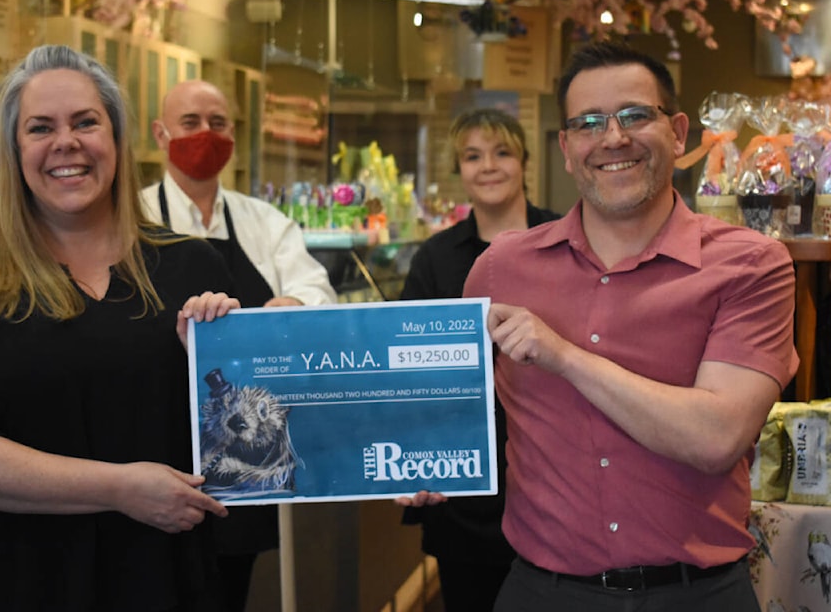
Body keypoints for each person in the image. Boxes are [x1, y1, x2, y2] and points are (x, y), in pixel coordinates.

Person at [402, 42, 799, 611]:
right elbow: (450, 407)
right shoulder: (500, 268)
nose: (613, 139)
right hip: (541, 593)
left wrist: (562, 355)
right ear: (566, 148)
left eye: (636, 116)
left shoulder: (752, 263)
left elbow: (716, 437)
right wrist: (421, 456)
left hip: (699, 595)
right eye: (588, 123)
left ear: (678, 131)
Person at [0, 44, 240, 612]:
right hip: (15, 581)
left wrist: (218, 366)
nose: (67, 143)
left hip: (162, 580)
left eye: (86, 122)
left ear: (117, 139)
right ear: (14, 151)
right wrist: (120, 489)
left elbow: (245, 444)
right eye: (41, 128)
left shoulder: (194, 266)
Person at [140, 79, 336, 612]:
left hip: (242, 458)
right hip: (150, 451)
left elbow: (318, 291)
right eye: (190, 123)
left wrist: (294, 306)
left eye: (218, 123)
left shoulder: (264, 222)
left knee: (228, 590)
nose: (206, 134)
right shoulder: (131, 221)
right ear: (160, 134)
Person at [399, 108, 559, 612]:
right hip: (463, 483)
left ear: (525, 162)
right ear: (459, 170)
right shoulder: (435, 257)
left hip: (557, 476)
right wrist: (411, 459)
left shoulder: (566, 240)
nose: (488, 166)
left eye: (502, 152)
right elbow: (409, 373)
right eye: (472, 156)